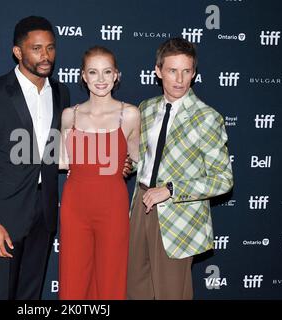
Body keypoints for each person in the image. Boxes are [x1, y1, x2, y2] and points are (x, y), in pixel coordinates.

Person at [127, 37, 233, 300]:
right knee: (134, 288)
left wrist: (171, 190)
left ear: (194, 73)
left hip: (179, 214)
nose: (180, 79)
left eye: (187, 71)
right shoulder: (146, 108)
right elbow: (143, 160)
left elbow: (223, 179)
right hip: (141, 204)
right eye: (172, 70)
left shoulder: (207, 117)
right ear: (158, 71)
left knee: (171, 294)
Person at [0, 16, 70, 300]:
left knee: (32, 293)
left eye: (50, 48)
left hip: (45, 209)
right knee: (2, 292)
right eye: (36, 48)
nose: (45, 56)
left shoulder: (61, 92)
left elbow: (57, 150)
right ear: (18, 52)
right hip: (5, 214)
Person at [59, 46, 140, 300]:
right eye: (93, 72)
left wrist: (128, 165)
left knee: (110, 278)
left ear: (117, 75)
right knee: (73, 278)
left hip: (112, 205)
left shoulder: (129, 114)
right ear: (83, 76)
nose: (101, 79)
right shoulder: (69, 115)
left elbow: (137, 160)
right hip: (75, 205)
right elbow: (61, 161)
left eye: (107, 72)